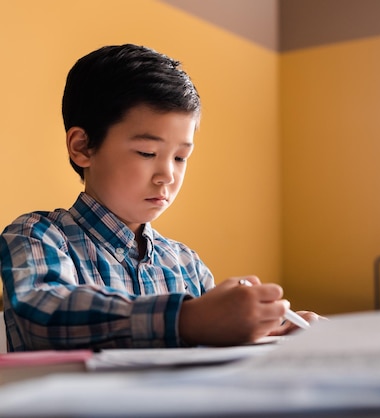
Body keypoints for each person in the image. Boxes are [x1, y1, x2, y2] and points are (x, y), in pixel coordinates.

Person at [0, 44, 321, 352]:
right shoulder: (37, 235)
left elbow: (214, 342)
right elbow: (44, 315)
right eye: (147, 152)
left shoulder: (186, 265)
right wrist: (187, 319)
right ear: (82, 147)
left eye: (181, 157)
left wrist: (267, 331)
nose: (167, 175)